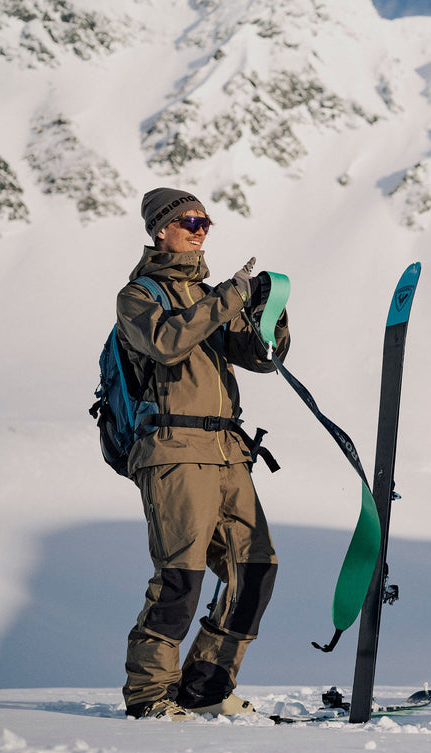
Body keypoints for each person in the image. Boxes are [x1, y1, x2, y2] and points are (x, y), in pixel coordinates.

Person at [117, 187, 290, 720]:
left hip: (227, 449)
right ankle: (149, 695)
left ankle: (205, 689)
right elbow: (167, 344)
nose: (201, 229)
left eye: (205, 221)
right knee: (181, 576)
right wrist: (228, 300)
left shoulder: (212, 296)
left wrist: (270, 315)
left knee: (255, 569)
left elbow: (261, 360)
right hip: (172, 447)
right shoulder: (139, 296)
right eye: (190, 220)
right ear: (161, 230)